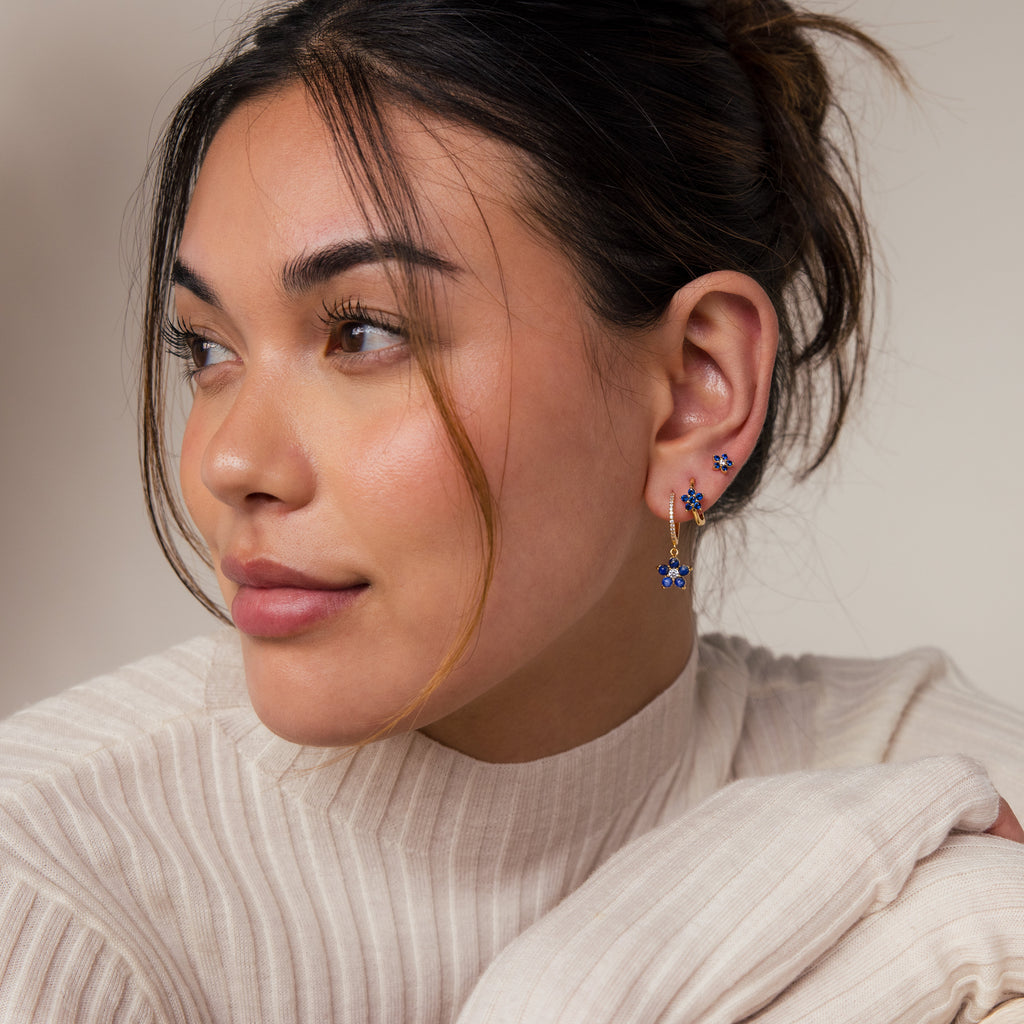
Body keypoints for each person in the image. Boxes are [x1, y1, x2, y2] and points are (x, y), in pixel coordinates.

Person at [2, 1, 1024, 1021]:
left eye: (361, 332)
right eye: (209, 349)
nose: (226, 460)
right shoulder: (48, 889)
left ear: (693, 390)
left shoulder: (921, 775)